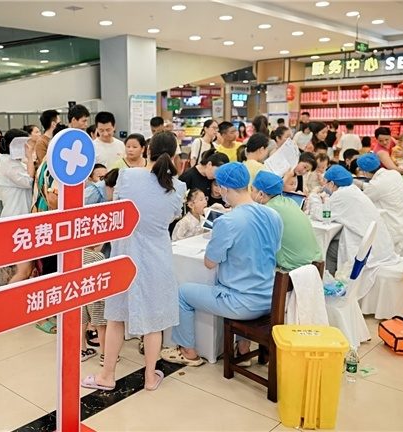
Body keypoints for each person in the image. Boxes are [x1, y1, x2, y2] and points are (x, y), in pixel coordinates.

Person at [82, 131, 185, 392]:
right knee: (154, 323)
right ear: (174, 155)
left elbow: (117, 207)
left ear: (148, 150)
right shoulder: (178, 186)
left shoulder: (127, 176)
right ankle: (150, 377)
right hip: (158, 258)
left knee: (116, 317)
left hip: (125, 255)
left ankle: (107, 375)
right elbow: (172, 216)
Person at [161, 162, 282, 367]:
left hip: (242, 303)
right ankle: (243, 349)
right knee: (244, 279)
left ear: (224, 189)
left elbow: (210, 262)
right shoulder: (273, 215)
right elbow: (273, 249)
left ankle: (188, 351)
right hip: (270, 299)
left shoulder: (227, 222)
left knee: (182, 294)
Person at [317, 165, 401, 275]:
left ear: (332, 183)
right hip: (380, 246)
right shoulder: (353, 190)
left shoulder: (341, 195)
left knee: (328, 249)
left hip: (366, 249)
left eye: (326, 182)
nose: (325, 185)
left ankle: (328, 280)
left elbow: (321, 215)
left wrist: (314, 198)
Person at [251, 171, 321, 271]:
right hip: (315, 261)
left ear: (261, 194)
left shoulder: (267, 211)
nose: (250, 194)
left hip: (292, 267)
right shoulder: (290, 202)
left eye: (252, 190)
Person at [356, 153, 403, 256]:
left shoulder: (376, 185)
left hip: (400, 234)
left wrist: (355, 186)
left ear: (364, 172)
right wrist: (362, 184)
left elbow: (361, 201)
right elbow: (381, 188)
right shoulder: (394, 174)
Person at [0, 129, 35, 218]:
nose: (26, 147)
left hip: (21, 212)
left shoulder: (15, 162)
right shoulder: (8, 163)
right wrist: (30, 157)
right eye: (23, 145)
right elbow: (28, 182)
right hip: (15, 213)